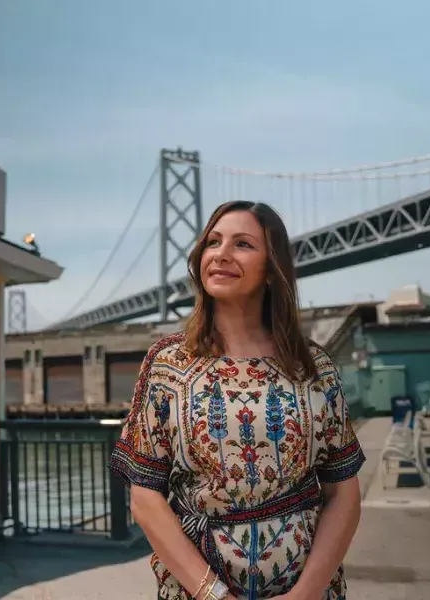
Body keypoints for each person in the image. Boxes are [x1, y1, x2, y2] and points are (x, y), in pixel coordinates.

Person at [108, 201, 365, 600]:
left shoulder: (315, 367)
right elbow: (145, 495)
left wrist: (305, 594)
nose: (222, 253)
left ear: (272, 269)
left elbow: (343, 493)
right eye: (213, 242)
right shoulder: (167, 365)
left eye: (242, 244)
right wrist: (213, 594)